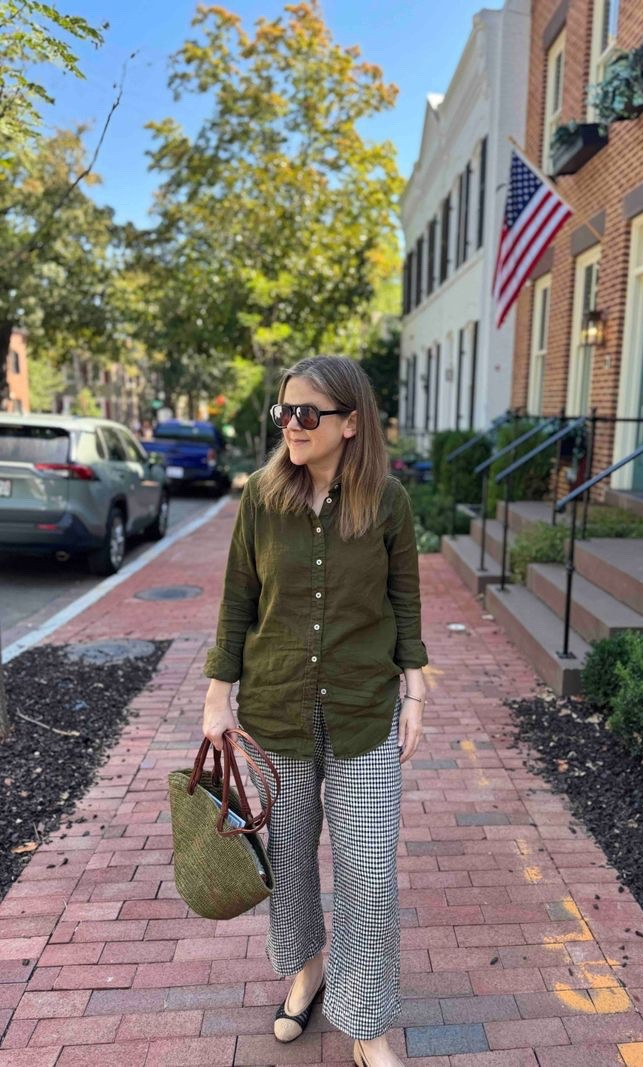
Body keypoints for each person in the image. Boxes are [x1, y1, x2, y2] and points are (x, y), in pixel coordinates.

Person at [202, 354, 428, 1067]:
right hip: (276, 709)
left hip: (365, 710)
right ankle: (305, 972)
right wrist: (217, 696)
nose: (292, 425)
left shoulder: (388, 501)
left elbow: (405, 600)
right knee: (291, 861)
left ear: (350, 423)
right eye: (285, 412)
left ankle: (367, 1025)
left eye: (307, 413)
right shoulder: (262, 499)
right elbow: (238, 600)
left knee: (370, 875)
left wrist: (416, 691)